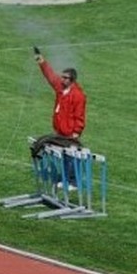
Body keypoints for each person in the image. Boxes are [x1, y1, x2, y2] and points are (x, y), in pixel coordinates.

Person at [32, 49, 87, 186]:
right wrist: (42, 61)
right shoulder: (61, 88)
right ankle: (65, 178)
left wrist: (76, 132)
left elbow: (79, 115)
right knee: (63, 156)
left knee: (71, 156)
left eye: (64, 78)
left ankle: (73, 182)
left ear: (72, 80)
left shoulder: (78, 96)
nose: (61, 79)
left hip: (70, 133)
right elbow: (50, 76)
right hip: (60, 131)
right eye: (62, 77)